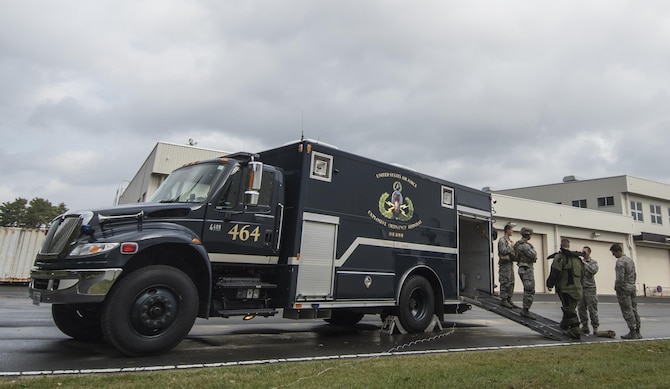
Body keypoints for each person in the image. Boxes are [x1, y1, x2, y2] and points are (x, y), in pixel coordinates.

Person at [546, 238, 584, 339]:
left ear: (560, 245)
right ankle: (565, 323)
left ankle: (575, 331)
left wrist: (549, 284)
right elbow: (582, 274)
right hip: (577, 289)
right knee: (570, 307)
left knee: (569, 309)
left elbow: (555, 272)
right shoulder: (577, 259)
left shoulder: (560, 257)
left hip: (566, 289)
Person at [609, 244, 641, 339]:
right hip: (631, 287)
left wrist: (618, 288)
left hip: (624, 289)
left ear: (617, 251)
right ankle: (638, 330)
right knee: (634, 309)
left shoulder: (620, 262)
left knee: (627, 310)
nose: (613, 255)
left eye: (613, 253)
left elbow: (620, 278)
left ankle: (632, 331)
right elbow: (634, 274)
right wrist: (632, 284)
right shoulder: (630, 260)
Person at [514, 227, 537, 318]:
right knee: (529, 289)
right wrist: (534, 250)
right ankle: (525, 310)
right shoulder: (525, 245)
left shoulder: (519, 244)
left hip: (522, 267)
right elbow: (533, 255)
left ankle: (525, 309)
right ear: (528, 235)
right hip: (526, 268)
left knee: (528, 289)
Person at [577, 246, 599, 334]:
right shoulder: (579, 262)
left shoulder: (593, 262)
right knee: (581, 308)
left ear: (589, 253)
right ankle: (584, 326)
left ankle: (595, 327)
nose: (583, 254)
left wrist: (584, 264)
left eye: (585, 252)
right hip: (581, 287)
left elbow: (593, 270)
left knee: (592, 308)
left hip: (590, 288)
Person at [498, 224, 517, 308]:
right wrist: (511, 248)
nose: (512, 231)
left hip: (510, 263)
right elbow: (503, 250)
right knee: (505, 280)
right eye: (511, 230)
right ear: (507, 230)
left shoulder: (510, 241)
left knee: (511, 281)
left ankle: (509, 298)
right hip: (504, 264)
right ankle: (504, 299)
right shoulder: (502, 240)